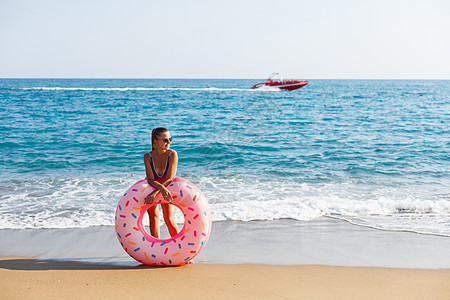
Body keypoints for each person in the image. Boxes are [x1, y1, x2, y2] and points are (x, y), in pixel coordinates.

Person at [143, 127, 179, 239]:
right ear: (155, 141)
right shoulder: (148, 157)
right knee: (153, 217)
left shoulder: (172, 154)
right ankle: (156, 249)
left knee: (168, 219)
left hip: (167, 186)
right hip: (152, 186)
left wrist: (157, 191)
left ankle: (182, 251)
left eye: (170, 139)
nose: (169, 142)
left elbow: (169, 178)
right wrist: (155, 191)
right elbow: (150, 179)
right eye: (165, 140)